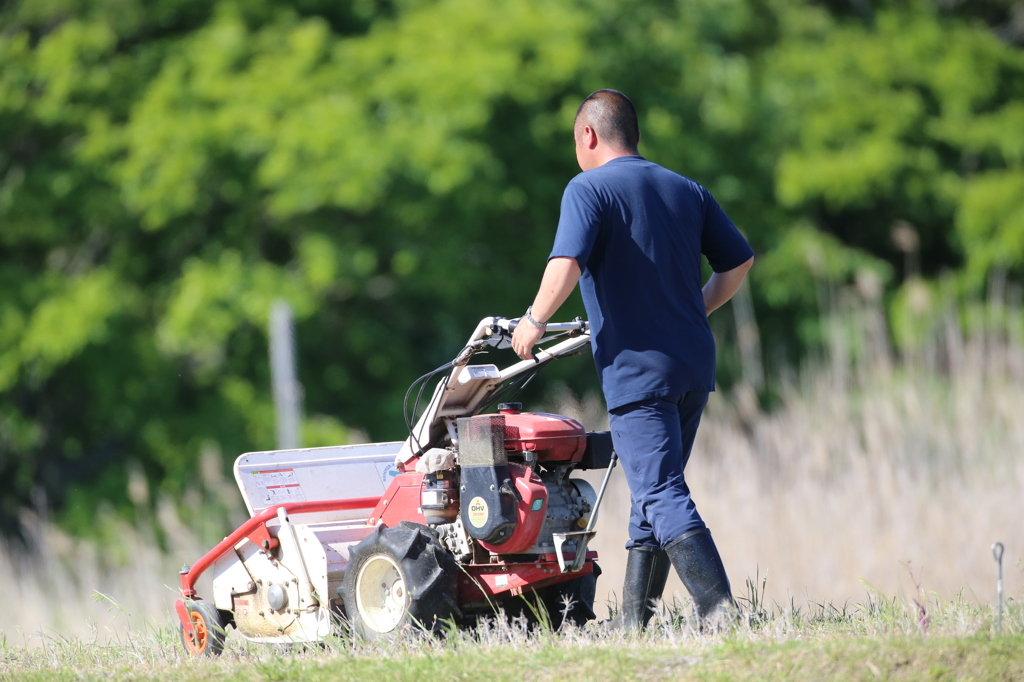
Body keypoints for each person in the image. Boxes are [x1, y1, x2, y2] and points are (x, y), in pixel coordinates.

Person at [511, 89, 754, 631]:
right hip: (694, 363)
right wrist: (697, 308)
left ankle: (718, 608)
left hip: (638, 373)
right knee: (653, 491)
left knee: (660, 490)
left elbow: (567, 261)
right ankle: (632, 625)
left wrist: (534, 320)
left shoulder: (587, 188)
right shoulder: (685, 188)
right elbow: (739, 262)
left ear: (588, 136)